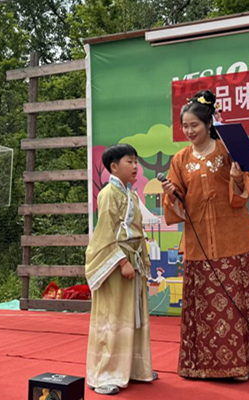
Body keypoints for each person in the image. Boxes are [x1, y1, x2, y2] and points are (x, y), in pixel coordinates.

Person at [161, 90, 249, 381]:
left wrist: (237, 178)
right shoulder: (180, 159)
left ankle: (239, 365)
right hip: (198, 242)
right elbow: (177, 204)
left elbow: (247, 186)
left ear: (209, 124)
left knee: (235, 302)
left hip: (232, 238)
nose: (189, 131)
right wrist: (172, 194)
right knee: (203, 307)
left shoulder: (228, 149)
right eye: (185, 126)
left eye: (194, 125)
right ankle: (200, 365)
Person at [85, 144, 155, 395]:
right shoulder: (108, 194)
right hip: (116, 262)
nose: (135, 166)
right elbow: (105, 232)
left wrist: (139, 261)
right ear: (114, 167)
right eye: (130, 161)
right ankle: (105, 374)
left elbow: (137, 230)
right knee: (112, 317)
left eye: (136, 161)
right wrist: (121, 262)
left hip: (132, 259)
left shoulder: (130, 194)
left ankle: (133, 368)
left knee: (132, 315)